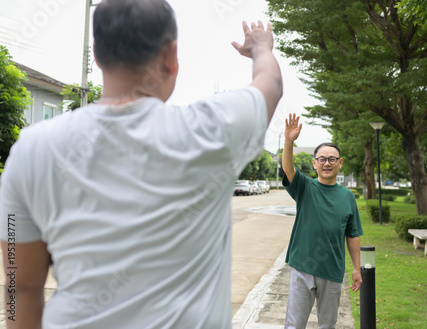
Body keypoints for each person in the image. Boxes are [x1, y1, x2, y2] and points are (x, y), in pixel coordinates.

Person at [0, 0, 282, 328]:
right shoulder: (211, 130)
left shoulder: (32, 149)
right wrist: (262, 48)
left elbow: (19, 287)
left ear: (96, 55)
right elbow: (271, 85)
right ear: (171, 57)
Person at [281, 114, 363, 329]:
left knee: (327, 325)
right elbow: (288, 169)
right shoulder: (305, 187)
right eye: (322, 159)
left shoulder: (348, 197)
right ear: (314, 163)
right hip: (302, 266)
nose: (327, 163)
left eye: (332, 159)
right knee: (294, 325)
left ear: (340, 163)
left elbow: (353, 234)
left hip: (333, 270)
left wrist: (356, 268)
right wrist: (289, 142)